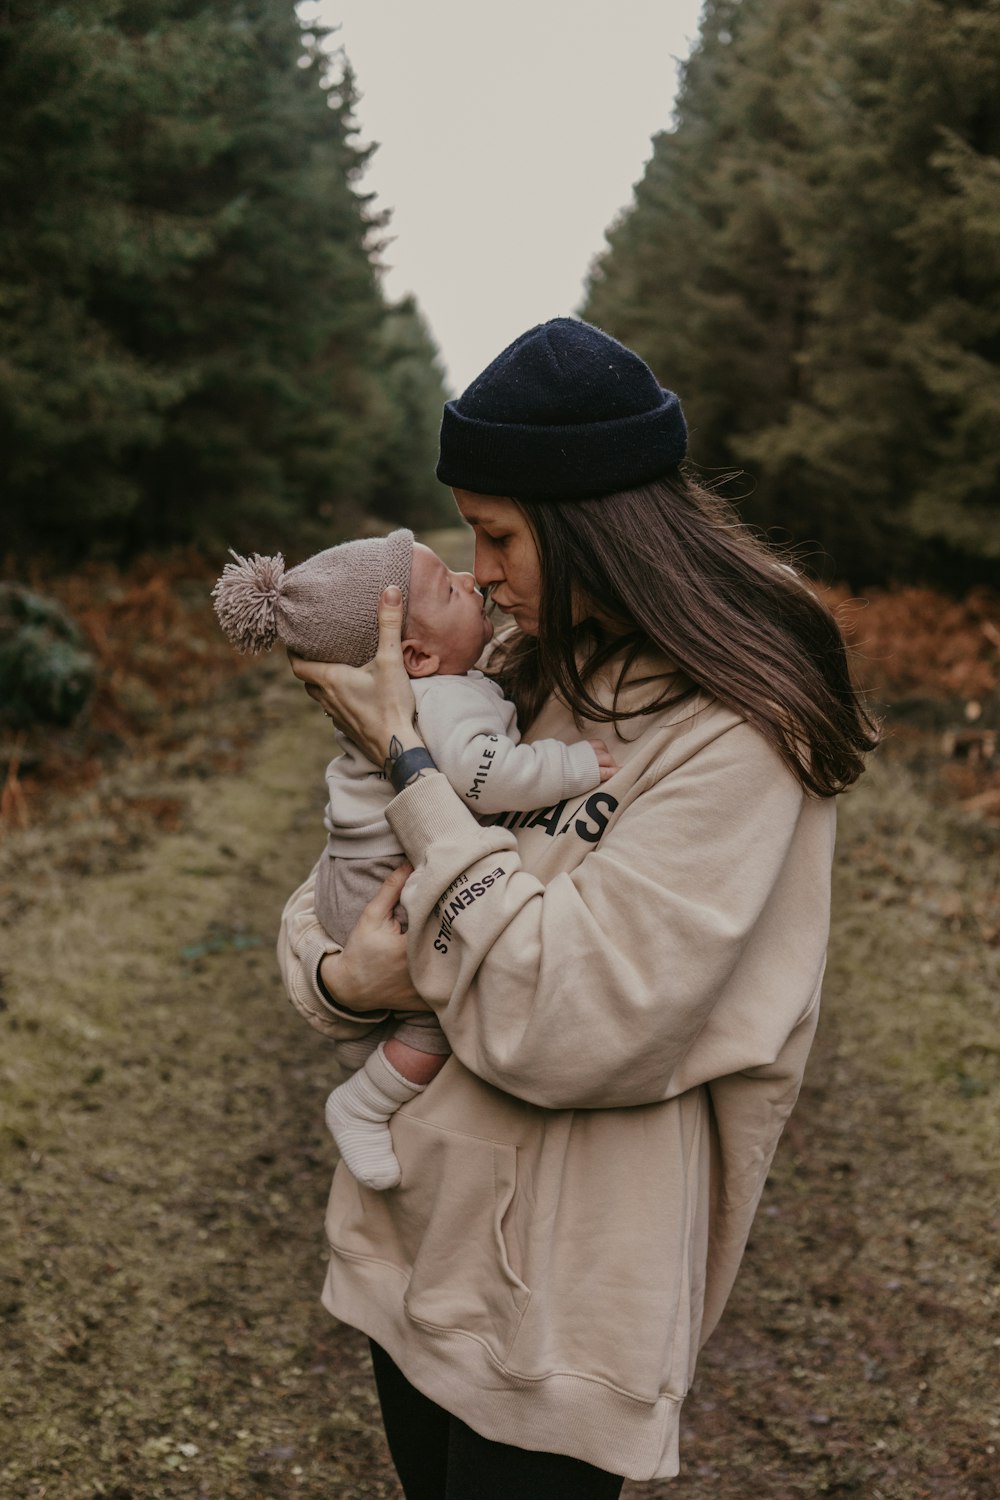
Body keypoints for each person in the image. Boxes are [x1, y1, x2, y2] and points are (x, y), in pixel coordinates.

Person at [276, 318, 878, 1498]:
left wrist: (410, 771)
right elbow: (333, 910)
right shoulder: (514, 673)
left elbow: (580, 1014)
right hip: (417, 1247)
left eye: (498, 534)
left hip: (564, 1307)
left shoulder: (736, 732)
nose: (479, 568)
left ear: (590, 522)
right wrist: (351, 981)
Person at [213, 531, 615, 1192]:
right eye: (450, 587)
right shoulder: (445, 697)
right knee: (430, 1015)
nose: (470, 575)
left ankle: (366, 1066)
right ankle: (363, 1105)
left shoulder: (442, 686)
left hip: (349, 878)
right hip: (382, 881)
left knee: (398, 1012)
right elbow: (484, 775)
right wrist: (569, 764)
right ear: (415, 655)